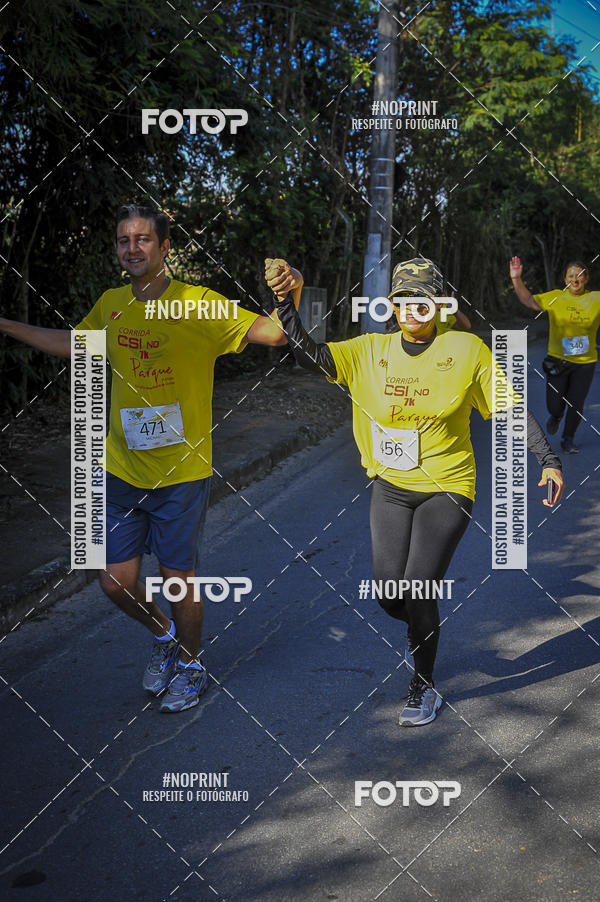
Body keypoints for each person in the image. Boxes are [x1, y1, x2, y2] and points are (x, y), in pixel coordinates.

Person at [0, 206, 303, 713]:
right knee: (113, 582)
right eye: (124, 240)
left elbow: (275, 334)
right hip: (121, 469)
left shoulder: (199, 305)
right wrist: (6, 324)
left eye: (143, 239)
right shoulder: (112, 304)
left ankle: (191, 665)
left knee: (177, 580)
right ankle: (164, 635)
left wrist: (292, 288)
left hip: (181, 474)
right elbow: (75, 344)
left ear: (164, 248)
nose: (132, 248)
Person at [266, 256, 564, 727]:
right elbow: (309, 354)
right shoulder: (370, 350)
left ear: (438, 304)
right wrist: (286, 301)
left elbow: (509, 407)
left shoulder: (465, 349)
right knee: (390, 594)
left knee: (419, 586)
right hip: (390, 488)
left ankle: (423, 684)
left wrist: (547, 460)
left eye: (422, 299)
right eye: (403, 299)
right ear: (392, 305)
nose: (412, 308)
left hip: (448, 487)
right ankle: (424, 628)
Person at [510, 256, 600, 453]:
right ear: (565, 279)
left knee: (576, 403)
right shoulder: (556, 297)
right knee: (554, 405)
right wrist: (516, 278)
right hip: (557, 361)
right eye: (571, 276)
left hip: (585, 363)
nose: (575, 279)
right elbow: (529, 300)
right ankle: (556, 416)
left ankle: (568, 439)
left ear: (586, 278)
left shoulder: (596, 299)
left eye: (580, 275)